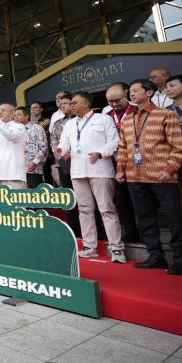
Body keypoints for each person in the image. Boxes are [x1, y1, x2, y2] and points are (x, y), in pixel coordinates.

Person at [116, 79, 182, 275]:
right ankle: (155, 256)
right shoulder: (127, 120)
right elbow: (123, 147)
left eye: (135, 90)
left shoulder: (166, 114)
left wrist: (170, 169)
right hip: (134, 176)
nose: (131, 94)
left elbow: (178, 146)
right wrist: (120, 169)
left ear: (149, 92)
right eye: (130, 91)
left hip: (162, 176)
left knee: (174, 218)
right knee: (145, 218)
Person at [57, 92, 125, 263]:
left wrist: (100, 153)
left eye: (74, 102)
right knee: (84, 210)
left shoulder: (103, 119)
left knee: (107, 209)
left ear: (86, 103)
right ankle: (89, 246)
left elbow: (115, 142)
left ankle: (116, 248)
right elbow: (65, 143)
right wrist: (60, 150)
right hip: (78, 171)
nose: (71, 105)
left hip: (100, 169)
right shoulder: (70, 124)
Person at [105, 82, 140, 242]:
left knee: (140, 200)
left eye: (117, 100)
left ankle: (146, 233)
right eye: (110, 102)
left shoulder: (136, 110)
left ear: (125, 95)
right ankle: (131, 231)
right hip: (115, 165)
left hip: (137, 164)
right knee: (121, 200)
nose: (114, 104)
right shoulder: (106, 116)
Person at [49, 93, 80, 236]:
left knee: (84, 197)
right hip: (63, 163)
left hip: (80, 161)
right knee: (70, 195)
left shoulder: (80, 120)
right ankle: (74, 228)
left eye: (66, 103)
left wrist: (71, 152)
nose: (62, 105)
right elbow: (54, 142)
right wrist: (61, 155)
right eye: (61, 104)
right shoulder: (57, 123)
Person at [166, 74, 182, 213]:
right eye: (166, 87)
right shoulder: (166, 111)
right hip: (178, 157)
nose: (168, 89)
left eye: (172, 86)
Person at [14, 106, 47, 189]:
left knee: (35, 197)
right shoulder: (12, 131)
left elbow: (44, 148)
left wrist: (35, 162)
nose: (16, 117)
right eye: (14, 115)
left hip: (32, 170)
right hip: (16, 172)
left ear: (27, 116)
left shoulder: (37, 128)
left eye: (18, 115)